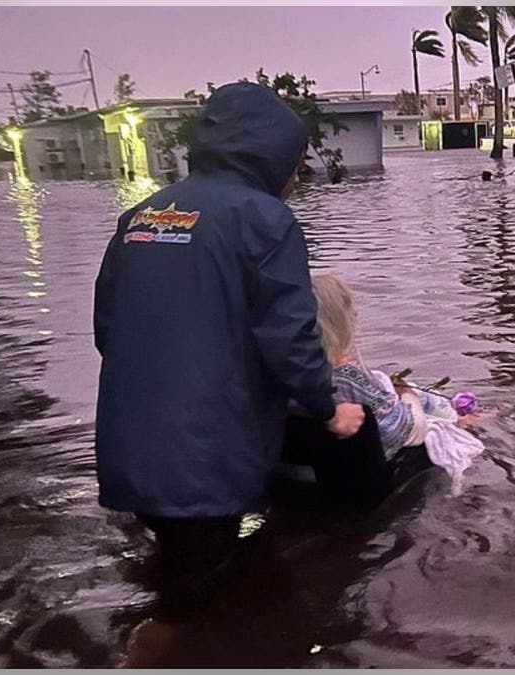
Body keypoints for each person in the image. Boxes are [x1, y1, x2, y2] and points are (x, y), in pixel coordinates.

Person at [93, 82, 365, 613]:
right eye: (294, 166)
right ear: (271, 157)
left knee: (181, 564)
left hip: (130, 452)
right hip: (204, 463)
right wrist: (329, 409)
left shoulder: (140, 218)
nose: (295, 179)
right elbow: (290, 335)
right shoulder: (265, 219)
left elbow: (108, 331)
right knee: (200, 603)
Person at [310, 273, 484, 495]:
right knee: (430, 420)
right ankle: (466, 421)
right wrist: (407, 393)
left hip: (309, 469)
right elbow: (411, 430)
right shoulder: (348, 376)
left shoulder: (280, 375)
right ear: (342, 322)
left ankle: (464, 419)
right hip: (362, 475)